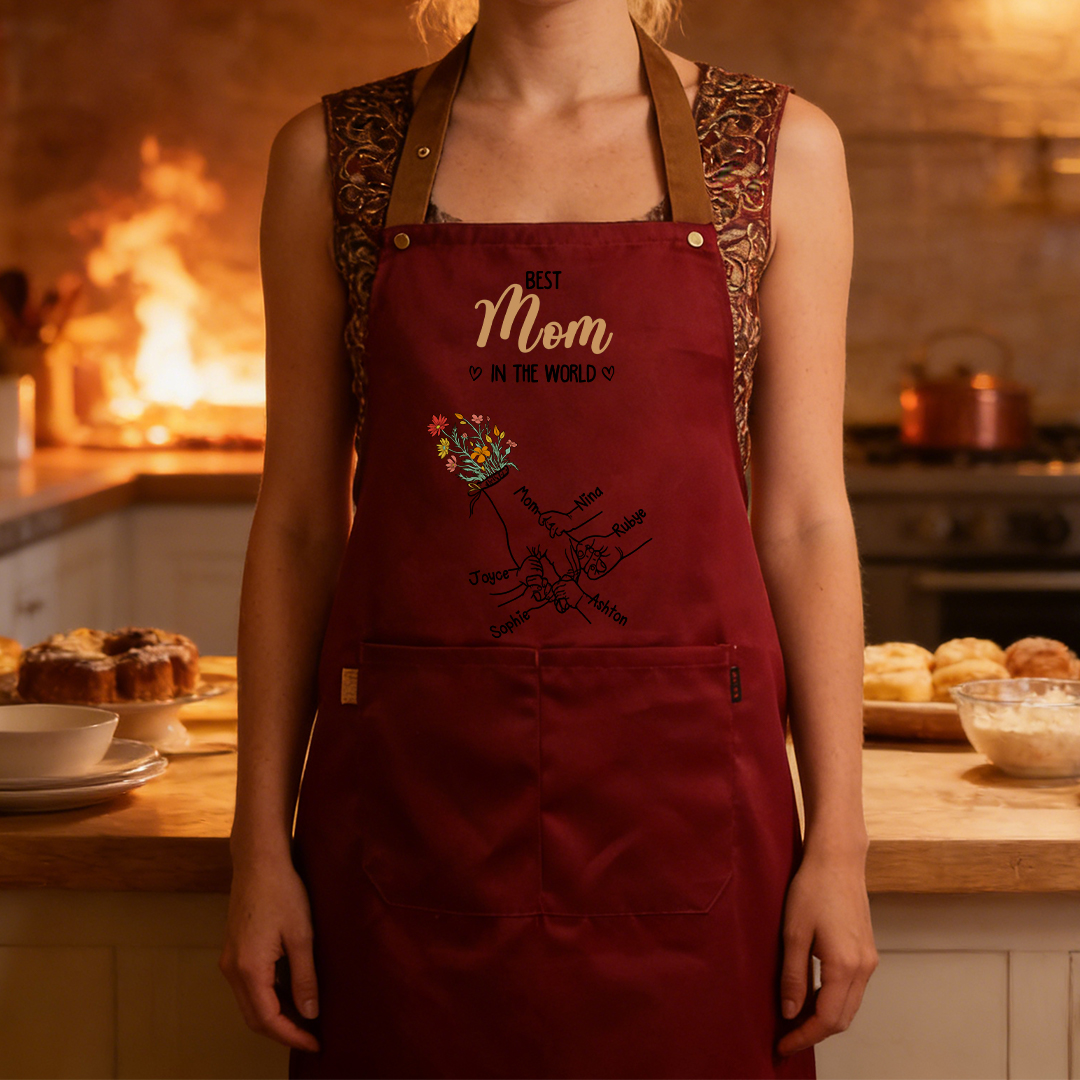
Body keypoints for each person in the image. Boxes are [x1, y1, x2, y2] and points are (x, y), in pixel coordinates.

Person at [219, 0, 878, 1075]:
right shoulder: (333, 157)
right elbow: (296, 521)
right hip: (410, 807)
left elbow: (805, 519)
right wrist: (258, 849)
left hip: (687, 804)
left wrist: (841, 848)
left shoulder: (776, 150)